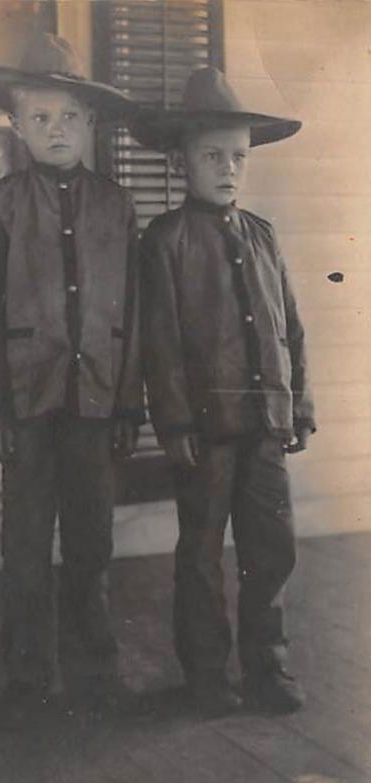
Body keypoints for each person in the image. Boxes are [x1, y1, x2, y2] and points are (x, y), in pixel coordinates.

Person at [0, 32, 143, 725]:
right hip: (28, 402)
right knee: (29, 538)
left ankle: (95, 663)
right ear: (17, 125)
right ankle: (30, 672)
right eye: (39, 117)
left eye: (69, 116)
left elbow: (131, 310)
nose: (55, 129)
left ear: (91, 122)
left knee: (93, 535)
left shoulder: (115, 205)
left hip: (96, 398)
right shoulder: (0, 207)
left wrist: (127, 399)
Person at [135, 67, 316, 717]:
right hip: (206, 432)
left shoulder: (263, 237)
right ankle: (208, 673)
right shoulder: (165, 242)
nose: (228, 168)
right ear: (183, 161)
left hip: (266, 421)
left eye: (238, 157)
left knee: (272, 549)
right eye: (213, 155)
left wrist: (298, 405)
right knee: (204, 553)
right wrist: (176, 424)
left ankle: (268, 665)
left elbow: (288, 327)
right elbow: (159, 344)